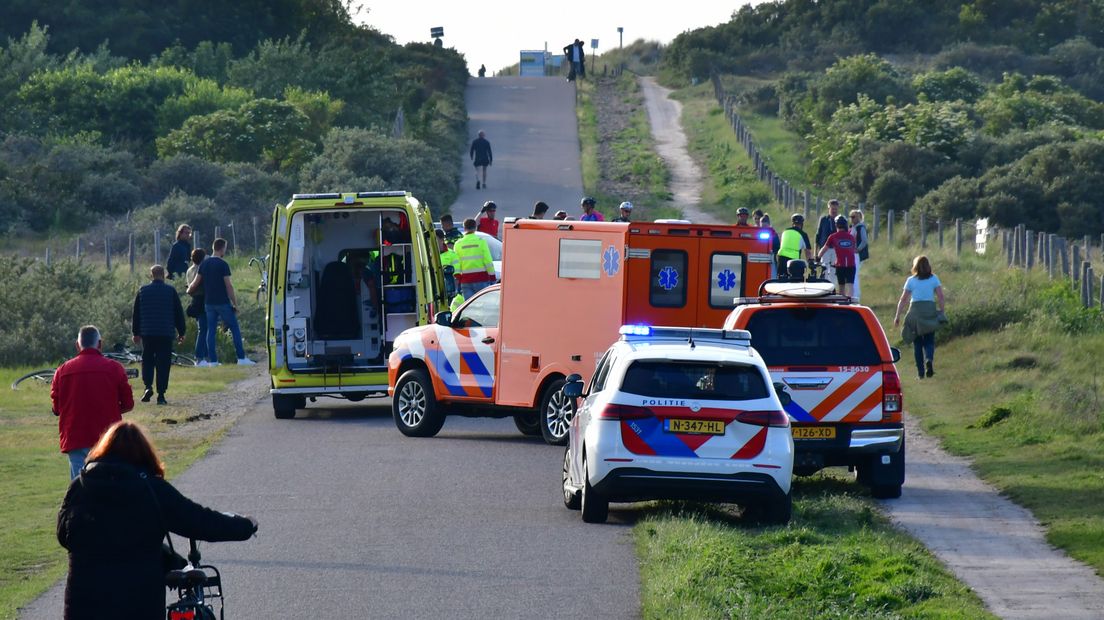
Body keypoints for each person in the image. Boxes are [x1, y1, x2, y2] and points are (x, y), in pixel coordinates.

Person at [57, 420, 257, 619]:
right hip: (139, 605)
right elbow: (200, 521)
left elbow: (64, 536)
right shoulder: (152, 489)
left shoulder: (79, 488)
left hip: (83, 605)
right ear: (144, 455)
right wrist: (245, 526)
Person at [51, 326, 135, 480]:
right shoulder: (115, 368)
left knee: (80, 487)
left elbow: (57, 408)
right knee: (109, 485)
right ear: (100, 344)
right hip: (108, 437)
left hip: (75, 437)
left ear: (77, 345)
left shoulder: (62, 371)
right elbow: (128, 404)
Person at [186, 238, 255, 367]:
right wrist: (235, 303)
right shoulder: (223, 264)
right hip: (222, 301)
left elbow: (195, 283)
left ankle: (213, 361)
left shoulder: (204, 264)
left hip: (208, 303)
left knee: (210, 331)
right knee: (234, 328)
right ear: (222, 248)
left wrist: (188, 290)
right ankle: (241, 357)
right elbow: (228, 286)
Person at [132, 265, 186, 405]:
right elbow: (178, 313)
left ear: (151, 275)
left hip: (148, 332)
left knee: (148, 360)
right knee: (163, 363)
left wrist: (136, 333)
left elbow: (136, 314)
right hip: (165, 332)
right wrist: (182, 332)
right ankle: (161, 395)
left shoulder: (142, 291)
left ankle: (148, 386)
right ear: (164, 275)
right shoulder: (170, 291)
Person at [894, 255, 946, 380]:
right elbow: (940, 296)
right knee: (929, 339)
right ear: (928, 266)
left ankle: (920, 373)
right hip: (929, 310)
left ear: (915, 267)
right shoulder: (934, 279)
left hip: (915, 311)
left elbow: (903, 299)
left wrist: (897, 315)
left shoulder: (911, 280)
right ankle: (929, 359)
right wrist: (942, 310)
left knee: (917, 343)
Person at [453, 218, 496, 299]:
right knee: (483, 304)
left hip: (466, 281)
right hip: (481, 279)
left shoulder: (458, 244)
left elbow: (456, 264)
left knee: (469, 308)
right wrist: (492, 277)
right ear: (475, 228)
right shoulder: (481, 241)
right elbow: (488, 261)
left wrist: (458, 278)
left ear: (464, 228)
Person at [819, 216, 857, 297]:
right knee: (850, 285)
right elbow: (853, 249)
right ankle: (850, 302)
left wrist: (818, 257)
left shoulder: (833, 236)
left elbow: (824, 249)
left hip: (840, 265)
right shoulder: (851, 237)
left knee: (841, 286)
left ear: (836, 225)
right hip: (851, 264)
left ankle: (842, 303)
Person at [185, 249, 208, 365]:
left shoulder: (189, 270)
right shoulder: (201, 270)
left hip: (195, 301)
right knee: (203, 329)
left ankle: (205, 356)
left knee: (204, 328)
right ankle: (199, 356)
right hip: (202, 300)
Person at [849, 209, 869, 301]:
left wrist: (858, 249)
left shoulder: (861, 227)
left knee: (855, 275)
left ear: (859, 218)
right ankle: (853, 294)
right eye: (851, 217)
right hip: (852, 254)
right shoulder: (852, 227)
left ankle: (856, 296)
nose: (852, 219)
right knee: (852, 275)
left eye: (854, 217)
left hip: (857, 255)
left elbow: (864, 240)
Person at [437, 230, 459, 299]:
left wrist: (454, 291)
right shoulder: (427, 255)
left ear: (442, 240)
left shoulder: (452, 254)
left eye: (436, 239)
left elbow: (457, 274)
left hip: (448, 291)